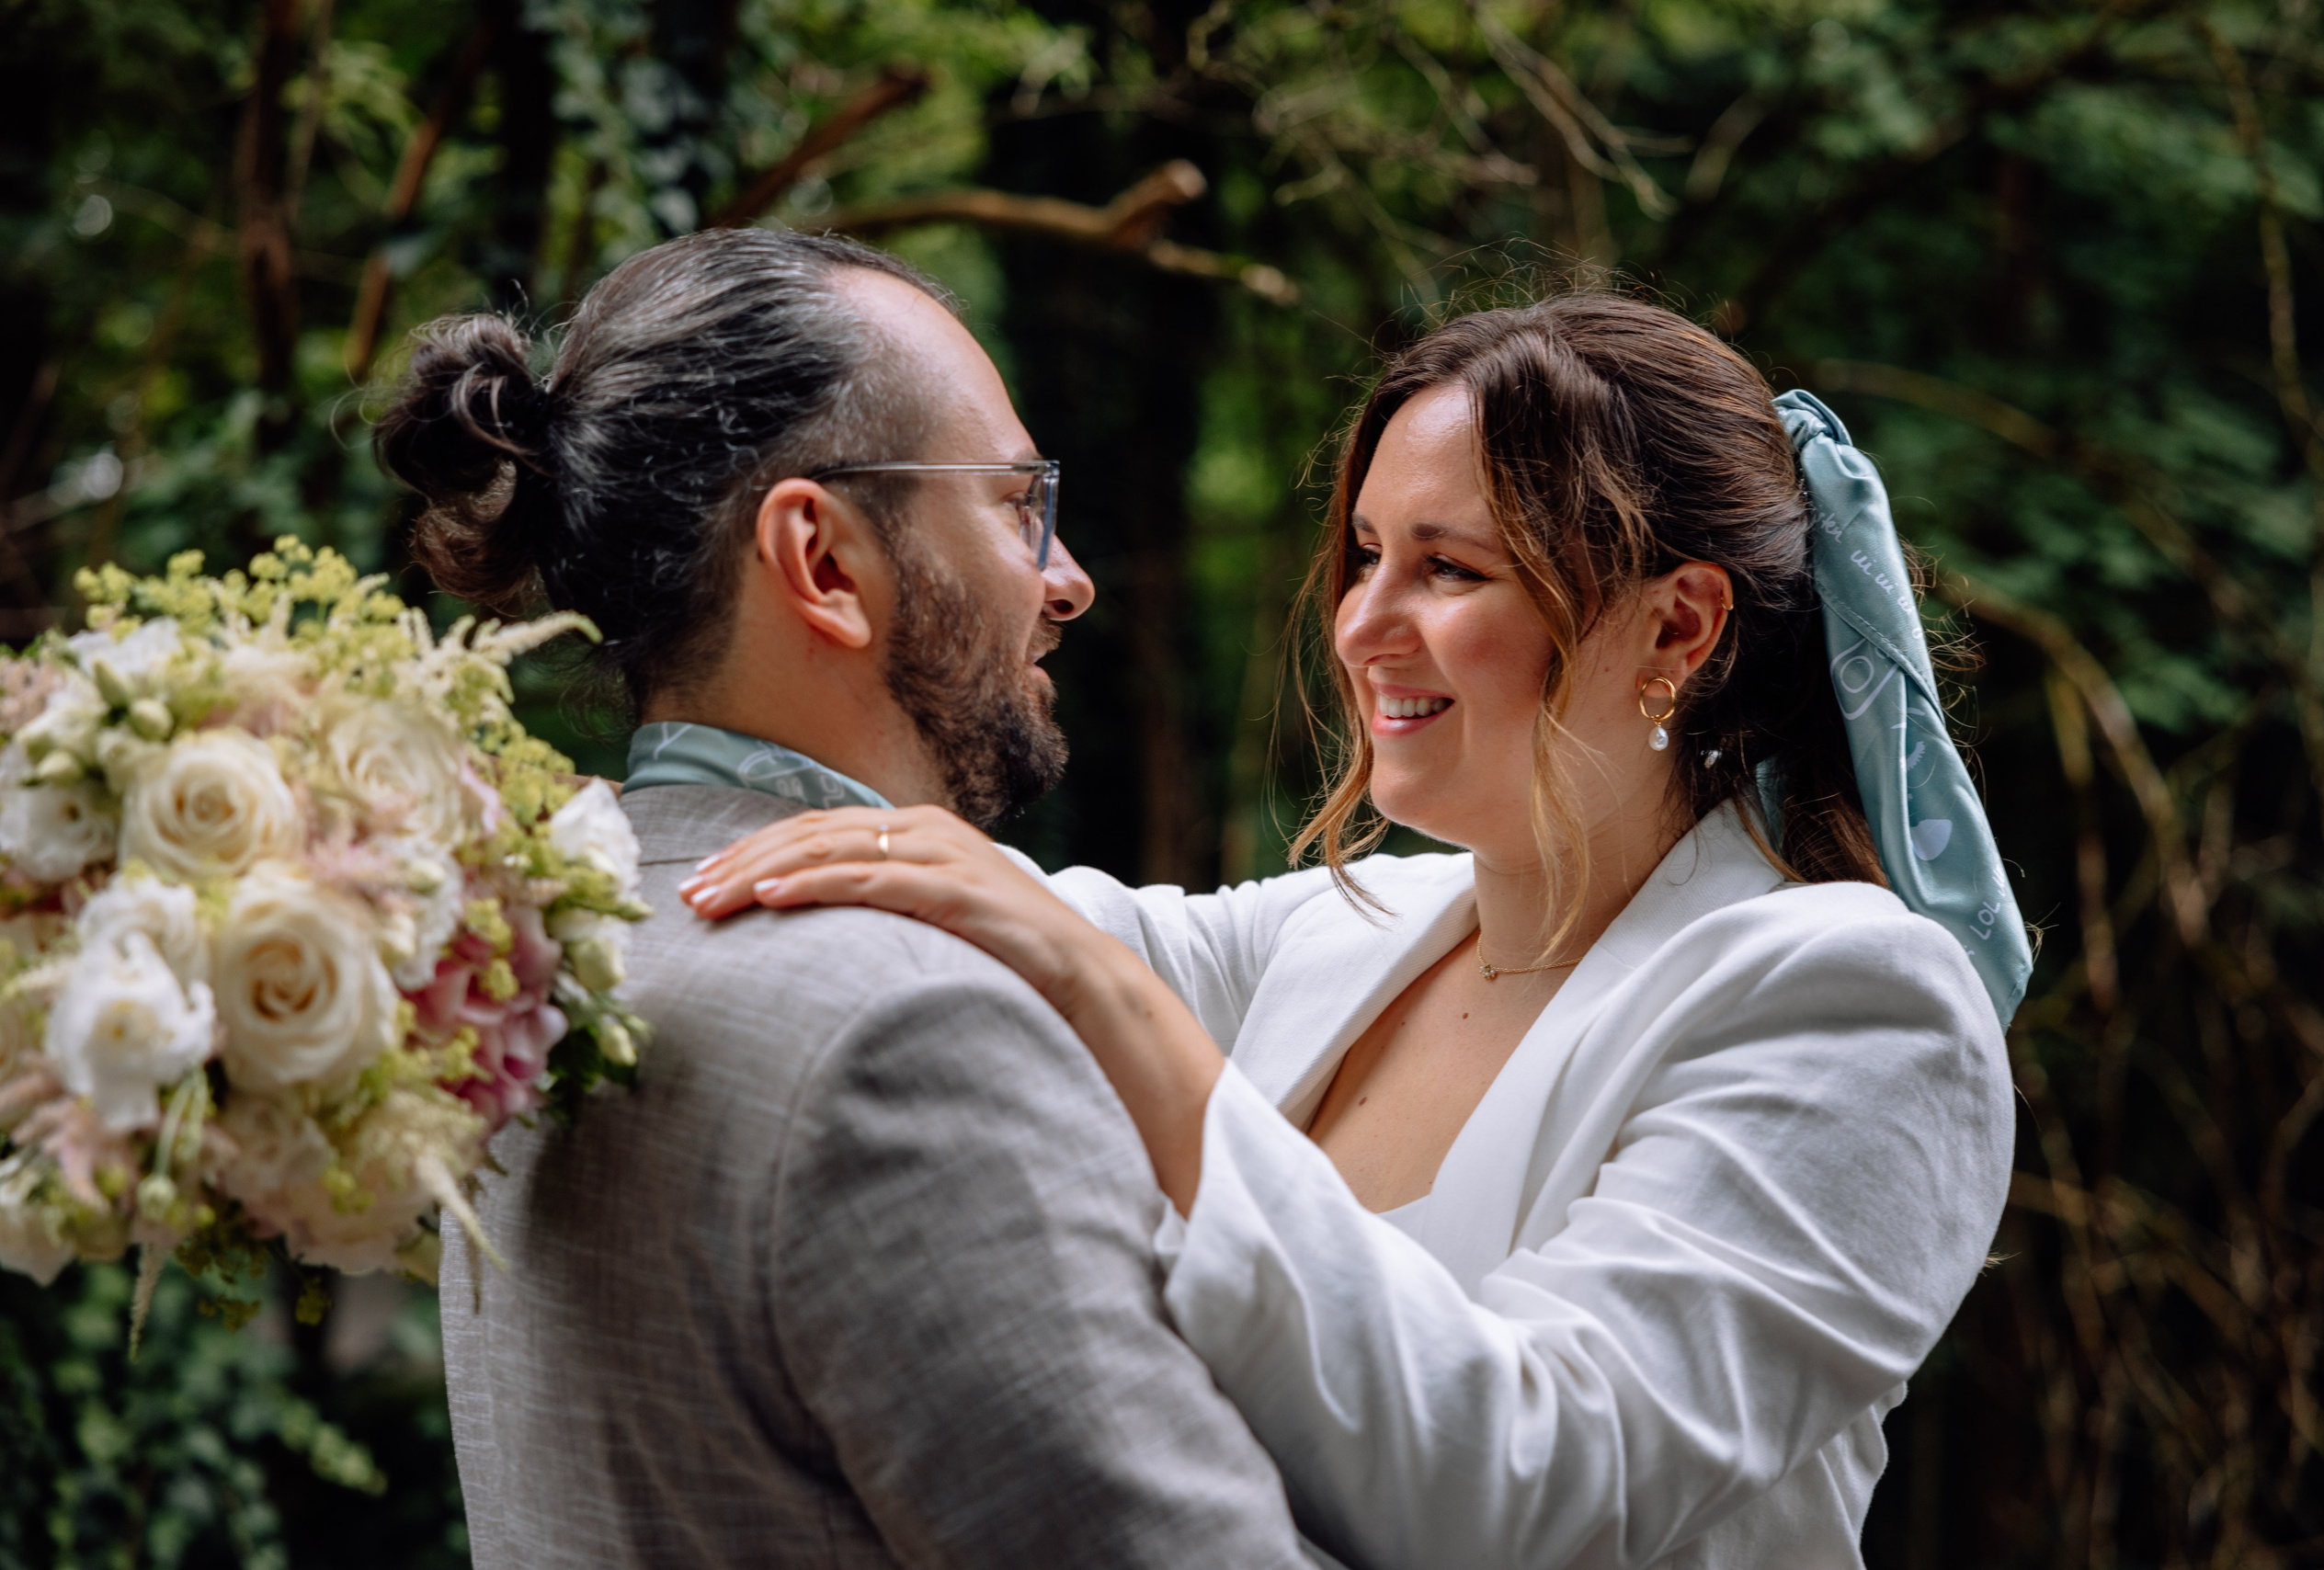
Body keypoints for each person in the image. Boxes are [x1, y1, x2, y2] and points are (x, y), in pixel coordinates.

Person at [682, 294, 2029, 1570]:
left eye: (1448, 569)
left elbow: (1522, 1481)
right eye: (1370, 555)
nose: (1363, 625)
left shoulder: (1858, 1005)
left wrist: (1126, 1014)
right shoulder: (1343, 933)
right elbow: (950, 919)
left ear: (1675, 623)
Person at [375, 228, 1323, 1570]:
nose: (1067, 580)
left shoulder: (535, 959)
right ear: (822, 561)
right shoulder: (907, 1034)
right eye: (1012, 504)